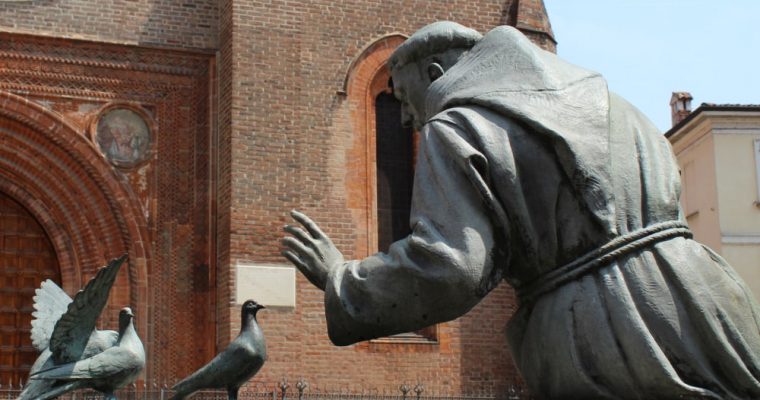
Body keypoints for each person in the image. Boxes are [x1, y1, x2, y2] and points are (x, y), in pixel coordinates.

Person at [282, 21, 760, 399]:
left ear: (436, 75)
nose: (407, 118)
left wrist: (342, 279)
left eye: (404, 99)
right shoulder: (616, 105)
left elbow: (451, 268)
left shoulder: (457, 123)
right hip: (708, 298)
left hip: (609, 325)